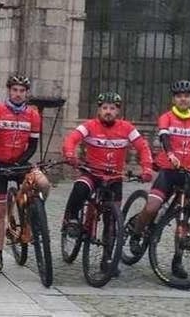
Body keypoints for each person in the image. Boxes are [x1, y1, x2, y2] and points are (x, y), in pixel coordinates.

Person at [126, 80, 190, 279]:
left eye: (187, 96)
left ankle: (177, 260)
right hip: (167, 171)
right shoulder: (166, 118)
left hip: (188, 175)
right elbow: (164, 138)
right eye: (179, 95)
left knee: (184, 221)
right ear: (174, 99)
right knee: (151, 208)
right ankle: (136, 233)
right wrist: (171, 154)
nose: (183, 98)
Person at [62, 91, 153, 274]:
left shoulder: (127, 128)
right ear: (99, 110)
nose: (108, 111)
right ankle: (71, 219)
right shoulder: (89, 126)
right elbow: (71, 140)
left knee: (112, 219)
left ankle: (107, 258)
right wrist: (70, 155)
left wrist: (147, 169)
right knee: (80, 187)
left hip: (114, 178)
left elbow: (143, 147)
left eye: (112, 108)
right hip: (92, 173)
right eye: (104, 108)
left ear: (118, 111)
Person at [0, 75, 48, 275]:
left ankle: (35, 214)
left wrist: (19, 162)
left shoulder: (33, 115)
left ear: (26, 93)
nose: (18, 94)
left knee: (43, 183)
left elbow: (33, 145)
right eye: (14, 90)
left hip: (20, 163)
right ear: (9, 91)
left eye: (21, 91)